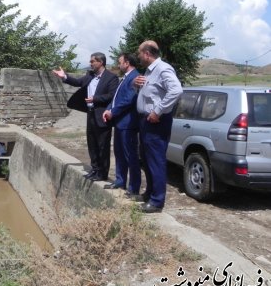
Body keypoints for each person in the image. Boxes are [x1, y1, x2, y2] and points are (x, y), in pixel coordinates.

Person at [53, 52, 119, 181]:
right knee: (92, 143)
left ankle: (102, 173)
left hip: (102, 115)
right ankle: (94, 169)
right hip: (90, 114)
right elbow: (77, 82)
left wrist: (95, 98)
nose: (90, 63)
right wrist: (64, 76)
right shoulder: (90, 75)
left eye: (93, 61)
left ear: (100, 62)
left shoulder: (111, 78)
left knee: (102, 145)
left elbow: (112, 95)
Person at [134, 40, 182, 213]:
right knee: (146, 159)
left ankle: (157, 201)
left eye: (139, 53)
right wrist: (136, 86)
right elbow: (150, 95)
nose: (138, 56)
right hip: (145, 121)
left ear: (147, 54)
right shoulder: (148, 71)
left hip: (156, 122)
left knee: (155, 160)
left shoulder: (163, 69)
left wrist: (158, 111)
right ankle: (150, 194)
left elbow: (176, 90)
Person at [102, 53, 141, 196]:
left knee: (130, 156)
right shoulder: (125, 78)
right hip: (119, 123)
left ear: (127, 63)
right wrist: (108, 109)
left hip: (128, 124)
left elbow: (129, 99)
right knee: (119, 153)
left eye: (120, 62)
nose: (118, 65)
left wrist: (113, 112)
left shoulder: (135, 77)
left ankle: (134, 188)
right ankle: (120, 181)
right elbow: (116, 98)